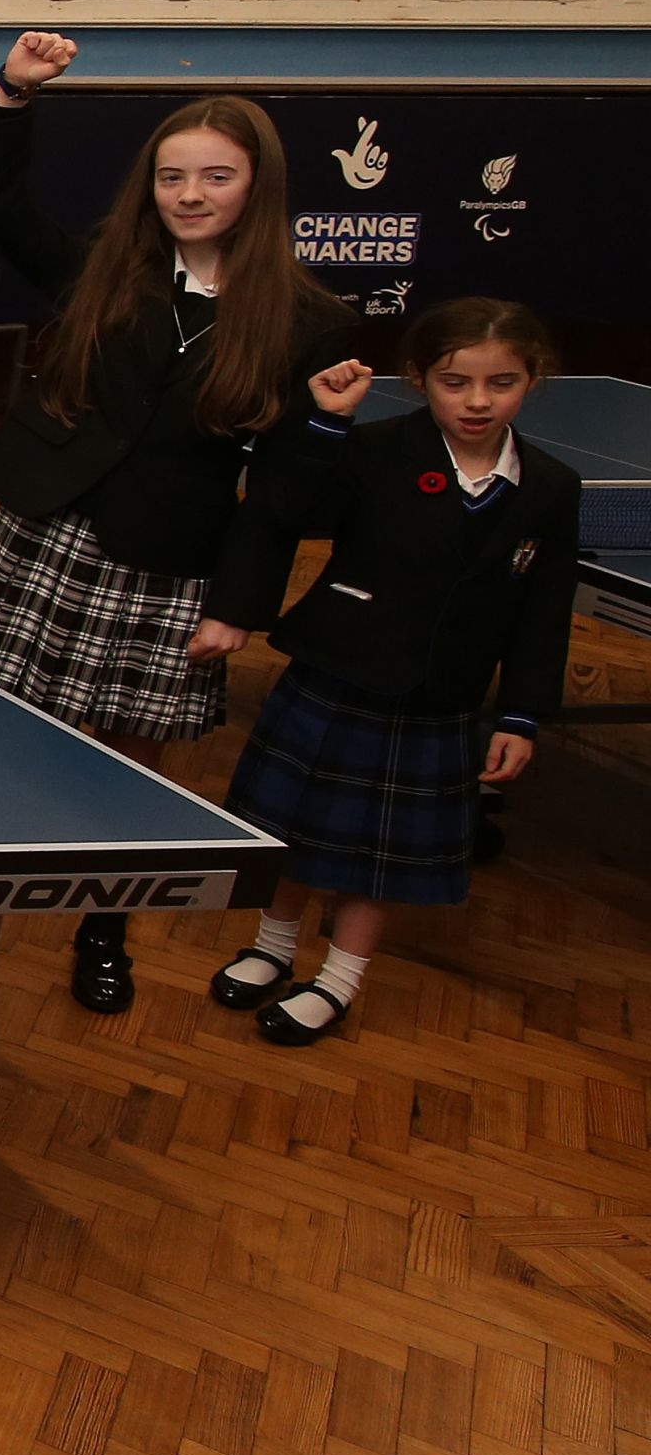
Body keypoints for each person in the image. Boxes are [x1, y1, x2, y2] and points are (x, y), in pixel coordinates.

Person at [0, 32, 352, 1014]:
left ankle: (103, 926)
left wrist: (237, 607)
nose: (190, 193)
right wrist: (10, 96)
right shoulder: (102, 267)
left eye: (214, 175)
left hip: (167, 558)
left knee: (132, 757)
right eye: (173, 175)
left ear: (256, 187)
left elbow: (284, 486)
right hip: (46, 530)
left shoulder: (307, 322)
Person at [217, 302, 577, 1045]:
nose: (477, 401)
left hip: (440, 700)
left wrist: (521, 713)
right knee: (295, 832)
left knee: (380, 858)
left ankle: (340, 978)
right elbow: (293, 508)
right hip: (340, 673)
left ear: (533, 381)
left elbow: (544, 607)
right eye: (455, 382)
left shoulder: (549, 485)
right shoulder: (373, 447)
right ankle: (272, 947)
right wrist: (327, 422)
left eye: (501, 383)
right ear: (419, 380)